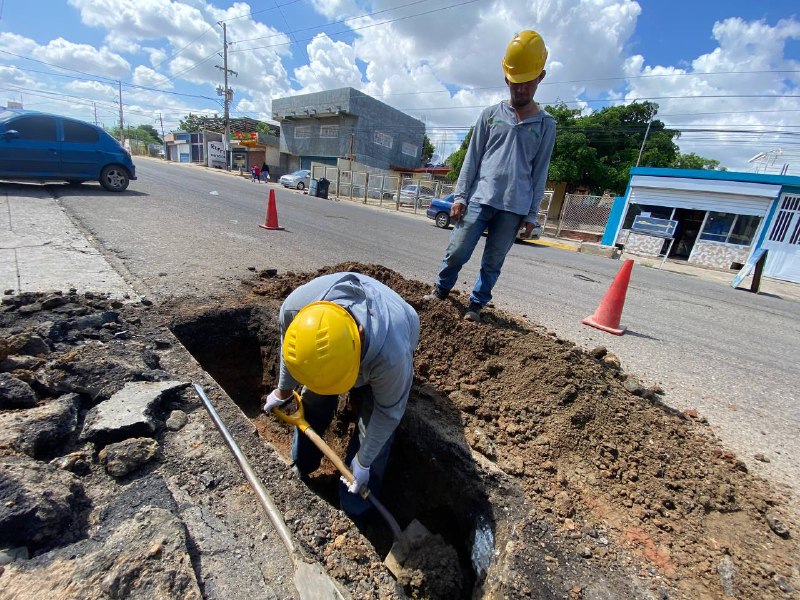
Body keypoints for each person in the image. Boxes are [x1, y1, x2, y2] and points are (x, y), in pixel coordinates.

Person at [424, 30, 556, 323]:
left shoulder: (546, 125)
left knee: (493, 261)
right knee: (457, 250)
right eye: (515, 82)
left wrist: (532, 214)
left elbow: (540, 170)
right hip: (480, 199)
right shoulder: (490, 116)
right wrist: (460, 197)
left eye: (527, 83)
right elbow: (472, 157)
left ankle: (476, 305)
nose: (520, 89)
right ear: (507, 78)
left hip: (514, 207)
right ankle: (441, 290)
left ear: (540, 77)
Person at [262, 272, 420, 519]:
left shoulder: (392, 359)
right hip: (340, 350)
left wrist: (364, 462)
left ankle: (354, 513)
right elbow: (290, 354)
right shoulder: (295, 311)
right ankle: (302, 465)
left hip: (394, 330)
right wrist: (283, 390)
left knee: (373, 438)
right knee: (313, 399)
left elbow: (388, 413)